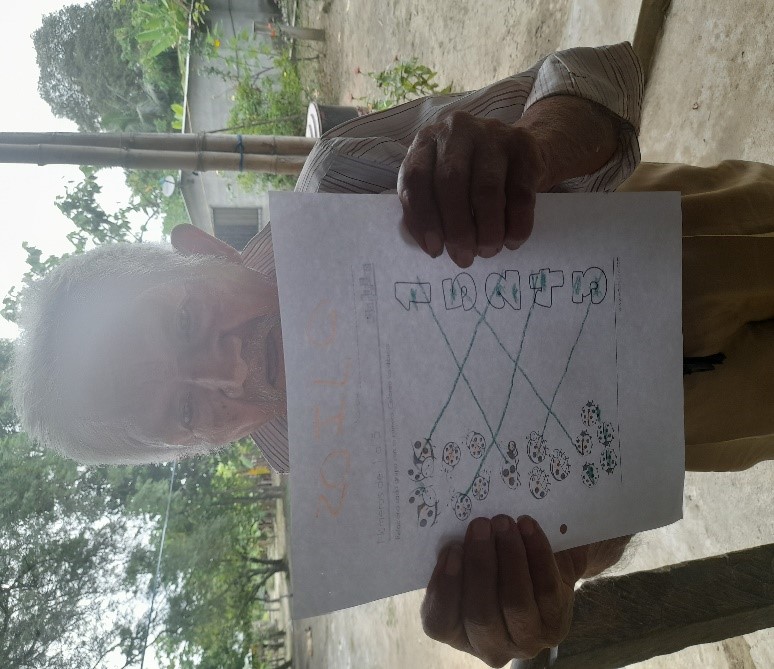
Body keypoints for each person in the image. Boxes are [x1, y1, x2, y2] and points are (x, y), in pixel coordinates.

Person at [11, 42, 774, 667]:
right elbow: (593, 514)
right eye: (186, 408)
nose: (232, 371)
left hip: (730, 238)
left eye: (186, 323)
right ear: (198, 447)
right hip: (732, 417)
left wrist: (533, 148)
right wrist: (558, 566)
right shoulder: (328, 475)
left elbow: (600, 74)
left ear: (206, 251)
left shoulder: (344, 181)